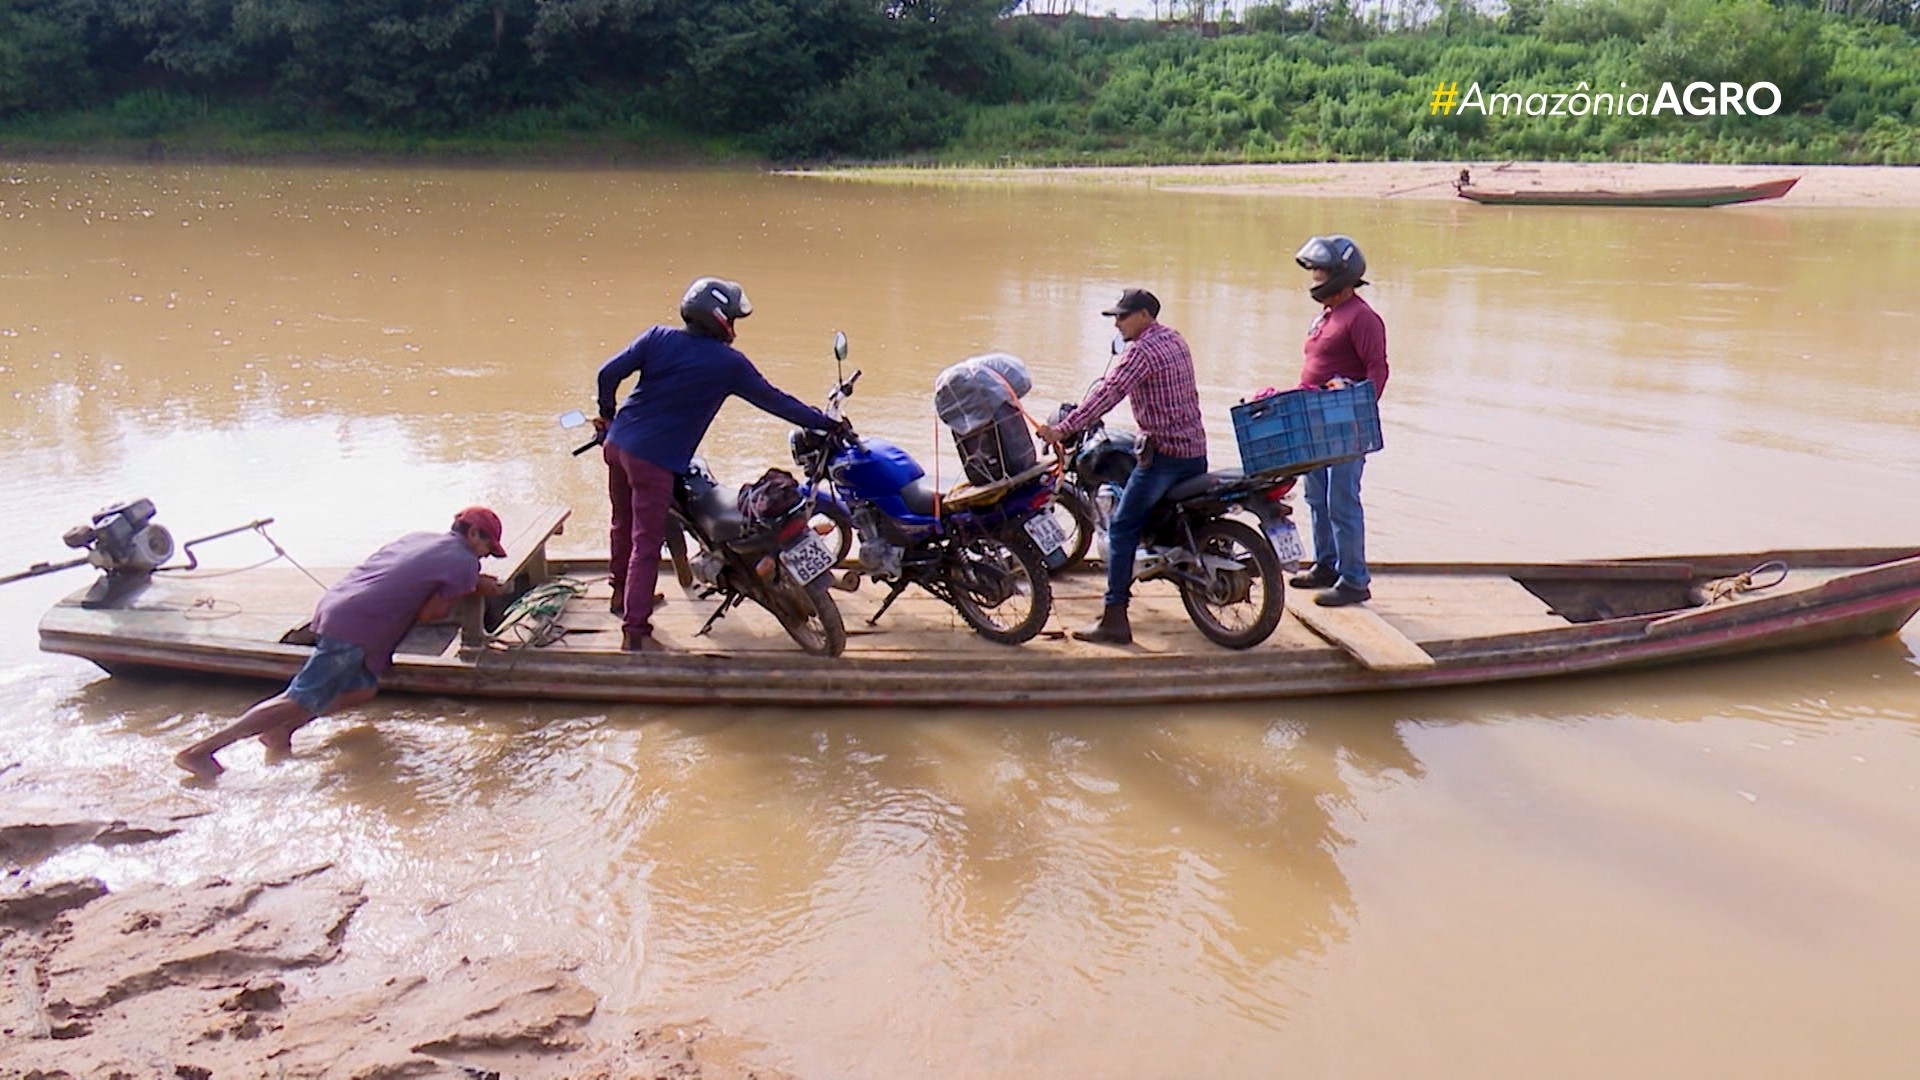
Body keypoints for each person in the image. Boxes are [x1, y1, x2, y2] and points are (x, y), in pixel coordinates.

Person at [173, 507, 508, 780]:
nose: (485, 555)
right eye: (486, 547)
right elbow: (429, 614)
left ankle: (279, 733)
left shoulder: (419, 537)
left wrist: (468, 581)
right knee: (298, 696)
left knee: (363, 689)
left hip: (338, 607)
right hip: (357, 626)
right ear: (473, 534)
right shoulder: (464, 561)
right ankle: (200, 751)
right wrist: (472, 586)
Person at [594, 276, 837, 653]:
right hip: (653, 461)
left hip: (617, 444)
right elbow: (775, 401)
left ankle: (620, 594)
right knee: (646, 544)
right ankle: (635, 631)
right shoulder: (728, 364)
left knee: (621, 525)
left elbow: (607, 374)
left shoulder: (656, 337)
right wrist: (825, 422)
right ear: (719, 318)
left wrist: (607, 415)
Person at [1036, 288, 1207, 646]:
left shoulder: (1140, 352)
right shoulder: (1175, 338)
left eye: (1123, 316)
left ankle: (1115, 618)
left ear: (1145, 315)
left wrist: (1062, 429)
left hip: (1164, 458)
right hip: (1195, 452)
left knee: (1123, 529)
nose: (1117, 323)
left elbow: (1106, 395)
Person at [1289, 234, 1389, 607]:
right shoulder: (1328, 314)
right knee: (1316, 496)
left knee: (1342, 501)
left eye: (1320, 270)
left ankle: (1354, 580)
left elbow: (1377, 369)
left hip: (1344, 424)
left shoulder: (1363, 317)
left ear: (1341, 275)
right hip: (1313, 421)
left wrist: (1358, 411)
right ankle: (1326, 564)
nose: (1314, 276)